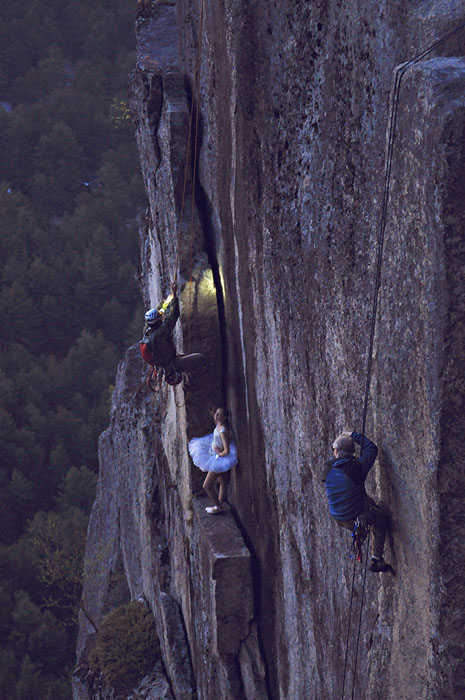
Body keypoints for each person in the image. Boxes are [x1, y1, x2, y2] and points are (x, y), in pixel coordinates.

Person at [322, 431, 392, 573]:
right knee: (380, 521)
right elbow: (372, 449)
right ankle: (377, 560)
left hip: (339, 516)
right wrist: (353, 435)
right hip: (355, 514)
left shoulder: (327, 469)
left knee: (366, 500)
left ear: (337, 452)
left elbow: (339, 464)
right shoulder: (357, 469)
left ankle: (370, 516)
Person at [140, 281, 206, 380]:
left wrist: (169, 298)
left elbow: (161, 309)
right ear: (157, 321)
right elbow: (173, 315)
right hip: (172, 364)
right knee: (199, 358)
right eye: (160, 317)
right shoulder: (160, 333)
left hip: (164, 361)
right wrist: (174, 295)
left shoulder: (148, 330)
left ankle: (188, 374)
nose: (161, 317)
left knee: (189, 359)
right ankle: (192, 382)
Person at [188, 407, 238, 514]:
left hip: (218, 459)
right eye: (216, 413)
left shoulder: (222, 431)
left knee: (207, 486)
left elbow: (227, 451)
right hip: (215, 455)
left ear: (224, 417)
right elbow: (217, 423)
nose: (216, 415)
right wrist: (213, 414)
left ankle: (218, 505)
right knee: (223, 482)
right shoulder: (219, 425)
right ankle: (219, 505)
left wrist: (219, 453)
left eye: (219, 414)